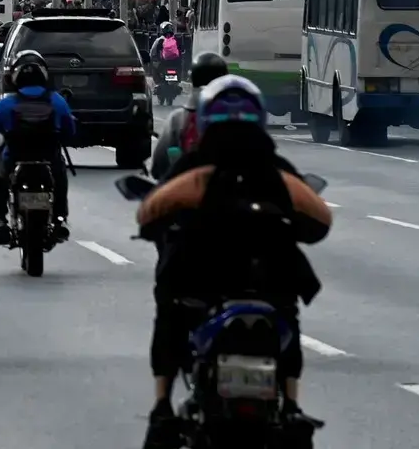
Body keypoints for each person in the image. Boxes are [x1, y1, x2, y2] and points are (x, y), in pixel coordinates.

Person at [136, 76, 331, 449]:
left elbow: (149, 213)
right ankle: (290, 402)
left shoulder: (195, 171)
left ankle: (162, 401)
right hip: (269, 289)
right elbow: (319, 221)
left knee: (170, 314)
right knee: (288, 318)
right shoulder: (277, 172)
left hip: (201, 289)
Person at [0, 50, 77, 241]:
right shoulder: (56, 100)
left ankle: (0, 220)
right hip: (49, 158)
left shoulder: (7, 103)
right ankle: (60, 219)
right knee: (60, 178)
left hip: (14, 157)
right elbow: (70, 130)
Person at [150, 50, 228, 181]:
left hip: (189, 187)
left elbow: (159, 167)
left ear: (193, 78)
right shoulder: (241, 117)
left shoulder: (178, 119)